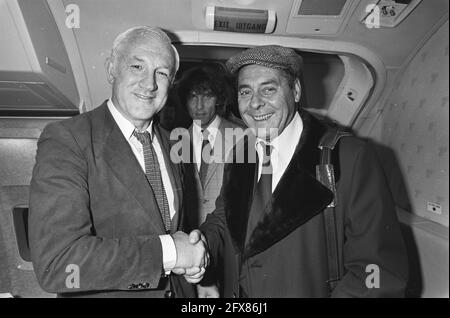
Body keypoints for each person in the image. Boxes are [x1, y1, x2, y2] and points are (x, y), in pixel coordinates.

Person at [196, 45, 408, 297]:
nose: (254, 103)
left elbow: (378, 272)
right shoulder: (241, 151)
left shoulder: (349, 157)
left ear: (296, 90)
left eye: (268, 89)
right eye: (245, 92)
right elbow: (225, 219)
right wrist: (201, 245)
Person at [28, 26, 207, 298]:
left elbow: (173, 229)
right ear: (112, 68)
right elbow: (58, 264)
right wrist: (171, 252)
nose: (150, 84)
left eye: (162, 73)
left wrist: (193, 264)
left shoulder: (174, 143)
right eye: (137, 66)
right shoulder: (68, 139)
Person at [178, 66, 245, 297]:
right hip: (190, 250)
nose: (199, 105)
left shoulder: (243, 138)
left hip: (231, 245)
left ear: (219, 98)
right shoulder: (174, 141)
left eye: (207, 96)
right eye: (193, 96)